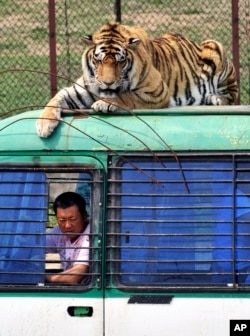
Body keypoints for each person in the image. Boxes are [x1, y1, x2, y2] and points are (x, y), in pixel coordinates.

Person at [46, 191, 90, 284]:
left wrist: (44, 277)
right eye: (62, 220)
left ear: (85, 216)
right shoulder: (58, 232)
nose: (67, 226)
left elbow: (75, 276)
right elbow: (35, 247)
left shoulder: (90, 236)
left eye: (73, 219)